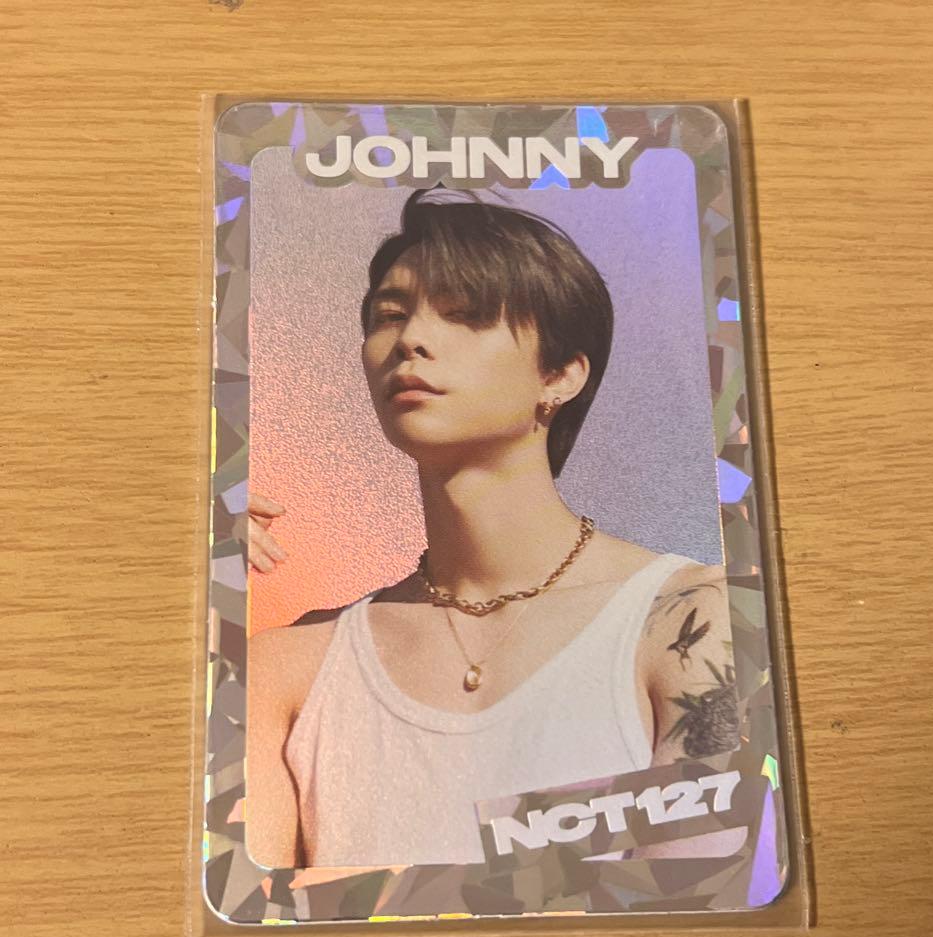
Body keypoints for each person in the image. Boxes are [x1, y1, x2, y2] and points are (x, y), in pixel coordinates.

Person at [245, 187, 739, 869]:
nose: (410, 339)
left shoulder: (691, 620)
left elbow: (700, 896)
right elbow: (239, 913)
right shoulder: (287, 667)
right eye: (389, 315)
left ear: (559, 375)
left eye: (465, 314)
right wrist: (195, 591)